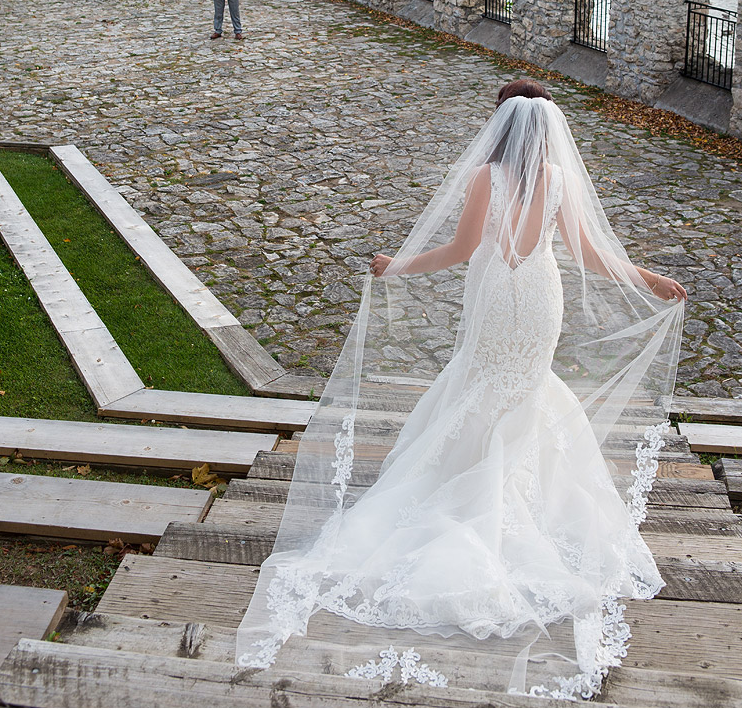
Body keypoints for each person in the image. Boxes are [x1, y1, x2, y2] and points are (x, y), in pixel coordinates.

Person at [236, 79, 688, 700]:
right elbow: (587, 254)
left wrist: (395, 266)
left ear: (500, 125)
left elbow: (458, 250)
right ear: (548, 129)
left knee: (479, 384)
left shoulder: (486, 178)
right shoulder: (558, 180)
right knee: (526, 391)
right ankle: (522, 498)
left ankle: (467, 485)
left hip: (497, 299)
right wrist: (650, 278)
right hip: (538, 302)